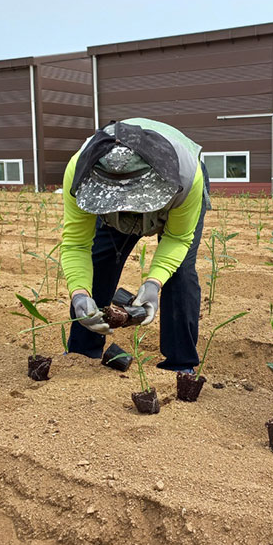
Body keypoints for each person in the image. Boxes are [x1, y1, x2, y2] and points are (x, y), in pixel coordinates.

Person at [61, 118, 210, 374]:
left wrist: (154, 283)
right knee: (100, 261)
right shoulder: (80, 173)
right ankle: (83, 353)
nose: (128, 208)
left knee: (181, 273)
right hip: (103, 198)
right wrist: (79, 294)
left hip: (174, 189)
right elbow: (76, 244)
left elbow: (178, 239)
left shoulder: (186, 175)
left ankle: (180, 363)